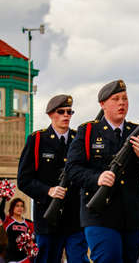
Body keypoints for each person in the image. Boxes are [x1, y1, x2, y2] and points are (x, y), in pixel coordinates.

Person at [66, 79, 139, 263]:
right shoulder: (87, 132)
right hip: (99, 215)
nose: (122, 103)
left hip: (132, 215)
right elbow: (72, 169)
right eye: (116, 99)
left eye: (125, 99)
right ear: (103, 104)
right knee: (108, 258)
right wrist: (97, 178)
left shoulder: (138, 132)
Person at [17, 95, 89, 263]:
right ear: (50, 114)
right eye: (61, 111)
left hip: (75, 219)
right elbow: (23, 180)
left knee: (79, 260)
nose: (66, 115)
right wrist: (47, 191)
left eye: (69, 112)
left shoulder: (78, 139)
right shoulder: (37, 140)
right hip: (48, 219)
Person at [2, 198, 34, 263]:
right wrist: (4, 198)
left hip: (24, 258)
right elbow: (0, 211)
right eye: (17, 206)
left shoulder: (29, 223)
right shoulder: (7, 220)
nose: (20, 208)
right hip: (10, 258)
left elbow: (32, 240)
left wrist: (32, 247)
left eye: (22, 206)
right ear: (12, 207)